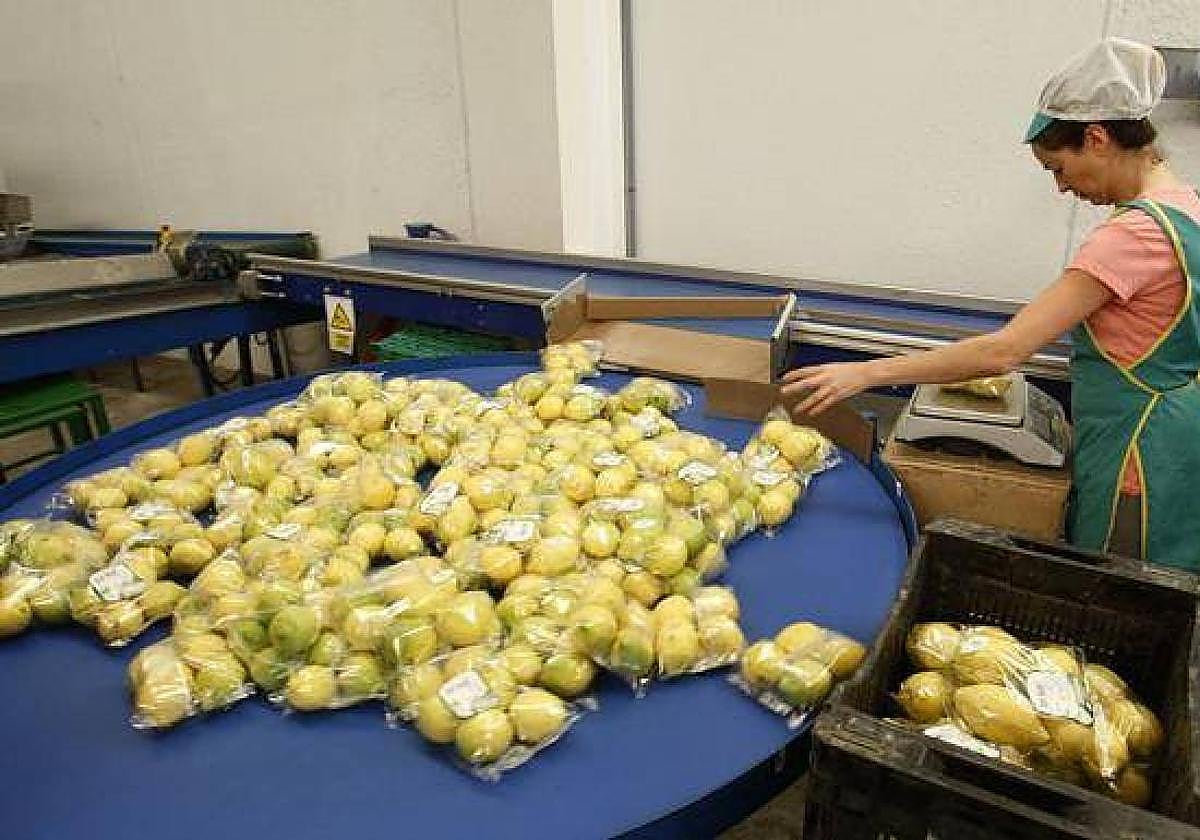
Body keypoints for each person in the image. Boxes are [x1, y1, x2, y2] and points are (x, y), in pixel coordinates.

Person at [781, 37, 1200, 571]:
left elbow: (1005, 351)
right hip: (1175, 438)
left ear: (1096, 138)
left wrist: (862, 375)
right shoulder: (1183, 207)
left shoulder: (1129, 237)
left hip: (1138, 451)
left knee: (1123, 587)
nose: (1062, 188)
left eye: (1059, 169)